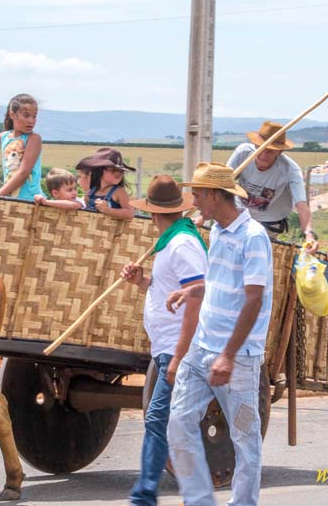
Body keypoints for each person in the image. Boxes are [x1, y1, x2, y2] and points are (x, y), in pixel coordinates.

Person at [166, 162, 273, 506]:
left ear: (213, 195)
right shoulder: (219, 230)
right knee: (179, 424)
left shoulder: (253, 237)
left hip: (238, 362)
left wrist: (228, 354)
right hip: (199, 352)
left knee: (245, 436)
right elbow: (218, 282)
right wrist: (193, 292)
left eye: (197, 194)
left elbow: (254, 299)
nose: (193, 201)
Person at [121, 175, 208, 506]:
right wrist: (141, 281)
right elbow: (170, 292)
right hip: (167, 348)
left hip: (181, 348)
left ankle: (144, 495)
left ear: (153, 214)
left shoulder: (182, 245)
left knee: (161, 419)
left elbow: (197, 298)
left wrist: (179, 356)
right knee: (175, 421)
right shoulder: (171, 244)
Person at [226, 120, 318, 253]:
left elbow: (301, 205)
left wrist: (309, 234)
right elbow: (223, 184)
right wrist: (203, 216)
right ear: (255, 145)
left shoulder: (290, 170)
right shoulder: (243, 154)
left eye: (270, 151)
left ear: (280, 152)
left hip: (268, 224)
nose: (263, 155)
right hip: (239, 216)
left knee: (257, 256)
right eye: (261, 149)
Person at [0, 93, 45, 200]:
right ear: (12, 115)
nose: (31, 121)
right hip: (11, 199)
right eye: (26, 115)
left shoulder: (34, 139)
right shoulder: (2, 137)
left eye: (34, 116)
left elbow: (23, 173)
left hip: (31, 200)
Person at [78, 147, 135, 219]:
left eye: (121, 171)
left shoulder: (119, 192)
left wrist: (107, 210)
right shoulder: (90, 193)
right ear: (99, 171)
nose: (119, 173)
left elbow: (130, 213)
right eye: (113, 170)